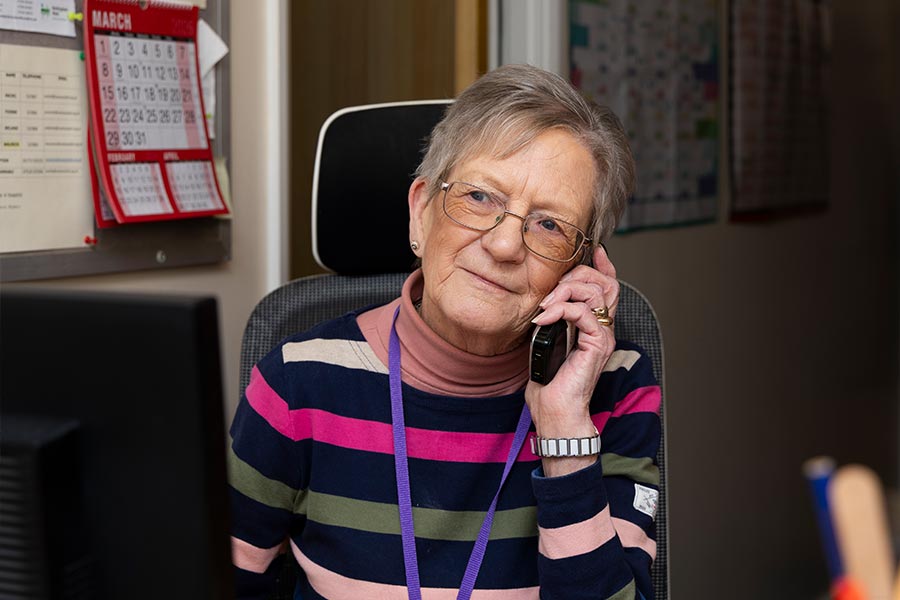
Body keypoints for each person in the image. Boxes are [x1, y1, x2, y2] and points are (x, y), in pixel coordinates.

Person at [228, 64, 661, 600]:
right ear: (420, 214)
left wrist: (564, 429)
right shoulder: (297, 385)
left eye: (549, 224)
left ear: (580, 266)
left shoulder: (617, 387)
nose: (504, 246)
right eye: (479, 197)